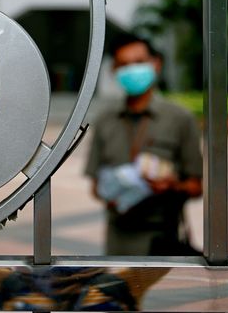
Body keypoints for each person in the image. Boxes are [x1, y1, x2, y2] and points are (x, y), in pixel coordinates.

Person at [85, 34, 203, 255]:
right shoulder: (105, 120)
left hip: (163, 239)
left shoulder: (179, 118)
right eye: (124, 65)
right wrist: (110, 192)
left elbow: (197, 186)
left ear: (155, 64)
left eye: (139, 62)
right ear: (114, 71)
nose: (132, 70)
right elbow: (95, 185)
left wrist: (172, 185)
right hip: (117, 242)